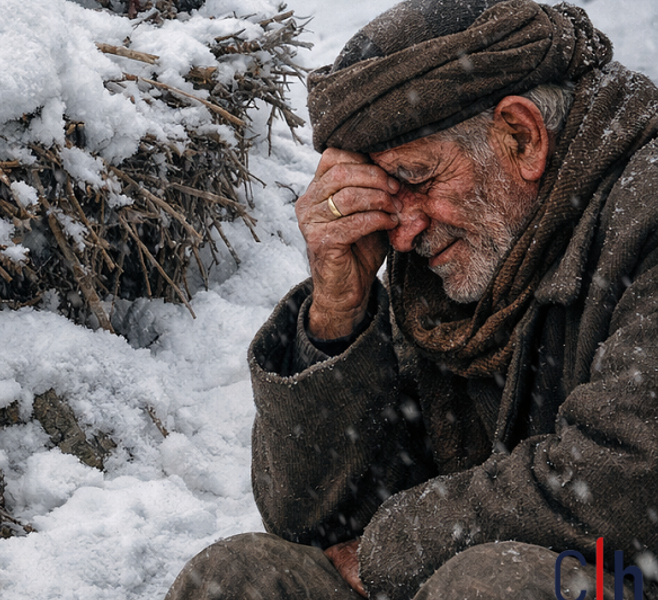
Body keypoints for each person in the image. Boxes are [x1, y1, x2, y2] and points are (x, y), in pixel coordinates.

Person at [165, 0, 658, 598]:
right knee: (238, 579)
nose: (401, 232)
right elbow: (316, 524)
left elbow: (627, 483)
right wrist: (337, 315)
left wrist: (399, 542)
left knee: (490, 585)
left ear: (521, 136)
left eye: (418, 179)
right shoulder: (445, 265)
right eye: (382, 195)